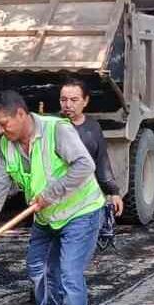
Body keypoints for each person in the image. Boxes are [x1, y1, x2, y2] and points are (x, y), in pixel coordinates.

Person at [0, 90, 104, 305]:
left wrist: (51, 194)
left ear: (21, 114)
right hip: (47, 218)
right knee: (38, 269)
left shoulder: (57, 130)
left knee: (68, 275)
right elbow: (0, 184)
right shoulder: (8, 145)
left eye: (4, 123)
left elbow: (85, 165)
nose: (0, 129)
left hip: (80, 212)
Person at [58, 80, 123, 249]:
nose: (68, 105)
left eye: (74, 100)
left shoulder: (93, 128)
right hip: (57, 198)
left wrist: (113, 192)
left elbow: (101, 161)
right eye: (63, 100)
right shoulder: (53, 127)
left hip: (85, 199)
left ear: (85, 101)